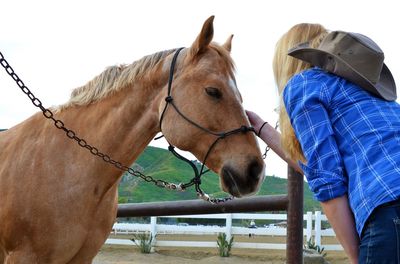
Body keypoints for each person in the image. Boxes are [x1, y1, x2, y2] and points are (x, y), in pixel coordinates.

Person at [247, 23, 400, 264]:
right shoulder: (374, 96)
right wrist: (262, 128)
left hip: (390, 209)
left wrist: (356, 257)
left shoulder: (305, 84)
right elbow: (312, 164)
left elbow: (327, 180)